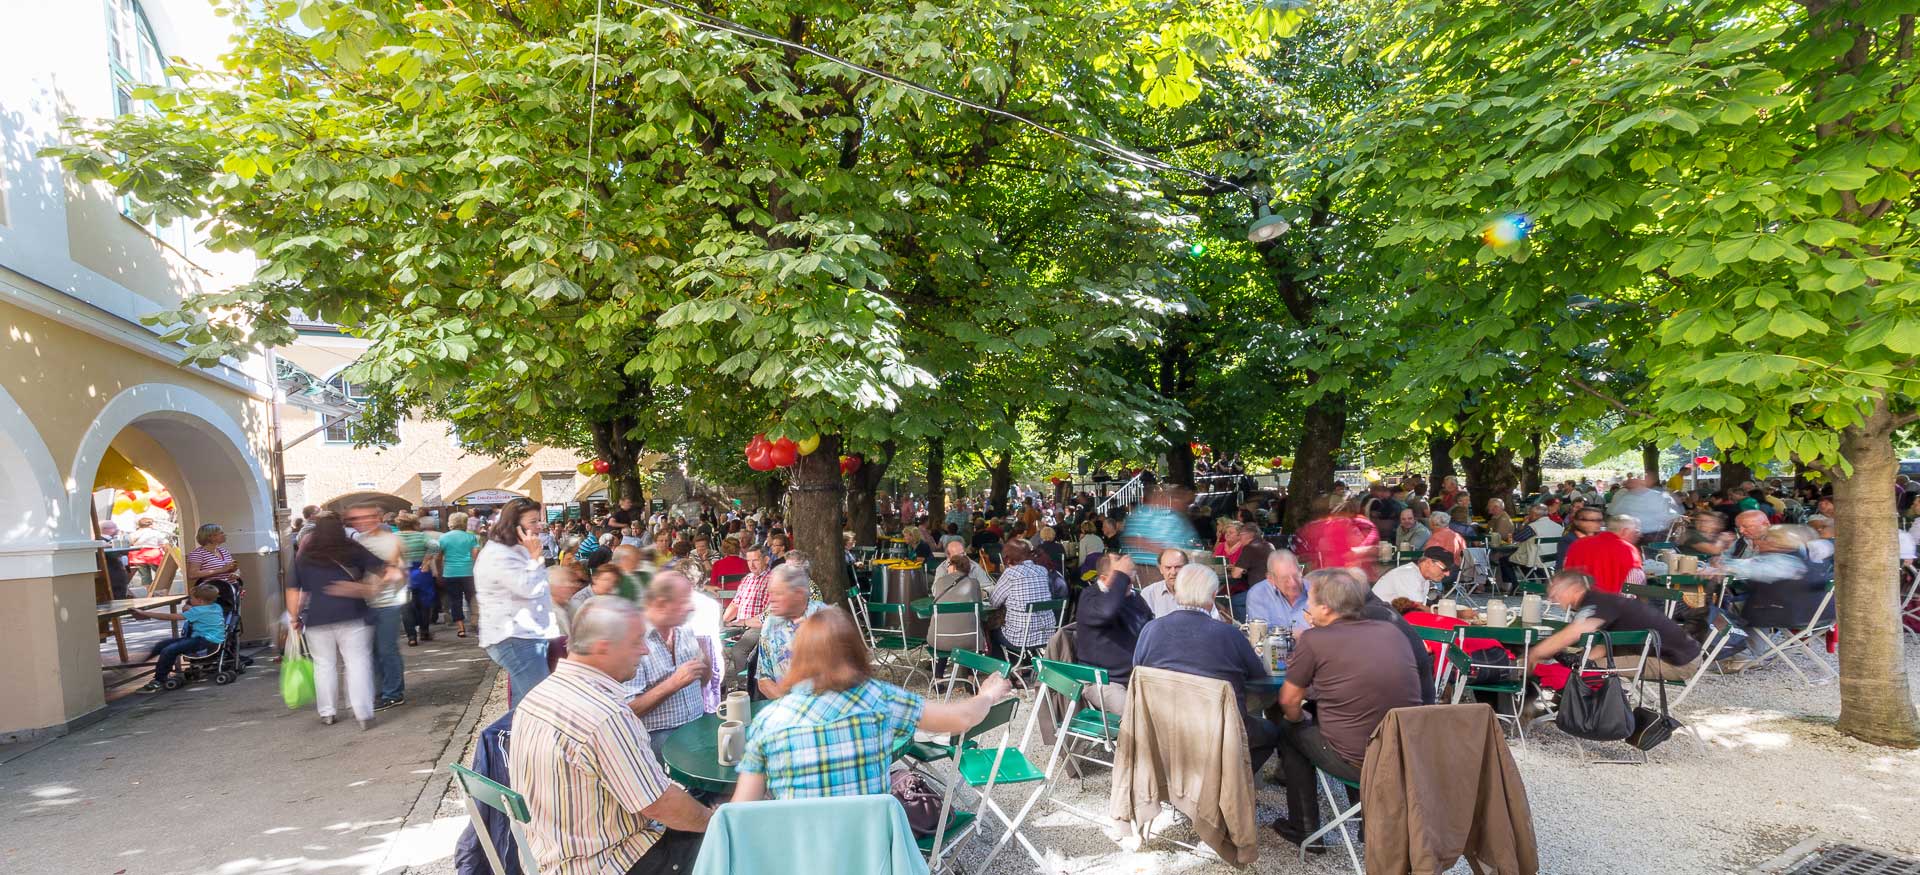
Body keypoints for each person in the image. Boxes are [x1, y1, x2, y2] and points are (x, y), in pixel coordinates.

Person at [510, 597, 711, 875]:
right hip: (606, 864)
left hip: (548, 857)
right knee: (724, 840)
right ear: (604, 647)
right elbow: (659, 805)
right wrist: (716, 821)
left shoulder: (538, 696)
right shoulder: (605, 715)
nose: (644, 651)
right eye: (636, 642)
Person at [732, 608, 1014, 801]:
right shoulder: (879, 699)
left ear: (798, 657)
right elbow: (961, 718)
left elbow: (742, 813)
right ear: (855, 650)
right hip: (871, 854)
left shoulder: (768, 722)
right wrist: (987, 694)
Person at [1271, 569, 1422, 850]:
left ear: (1325, 608)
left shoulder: (1315, 640)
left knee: (1288, 728)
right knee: (1356, 721)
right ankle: (1368, 821)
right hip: (1405, 751)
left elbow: (1289, 701)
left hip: (1360, 760)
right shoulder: (1390, 630)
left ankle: (1305, 829)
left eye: (1310, 601)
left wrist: (1299, 717)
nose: (1307, 606)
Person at [1133, 564, 1277, 770]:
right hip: (1220, 732)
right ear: (1212, 595)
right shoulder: (1230, 635)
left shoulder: (1150, 629)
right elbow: (1260, 680)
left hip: (1163, 727)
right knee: (1272, 732)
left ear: (1178, 593)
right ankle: (1229, 786)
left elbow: (1138, 672)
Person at [284, 513, 387, 727]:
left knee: (324, 665)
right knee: (358, 663)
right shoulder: (352, 548)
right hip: (353, 613)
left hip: (317, 617)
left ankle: (328, 712)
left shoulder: (305, 555)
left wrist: (294, 617)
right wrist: (369, 588)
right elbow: (383, 568)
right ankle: (363, 712)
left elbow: (294, 588)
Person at [1527, 569, 1703, 680]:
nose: (1552, 598)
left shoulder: (1594, 604)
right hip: (1678, 653)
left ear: (1575, 588)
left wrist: (1534, 654)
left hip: (1676, 663)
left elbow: (1573, 633)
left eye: (1556, 592)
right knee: (1580, 663)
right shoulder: (1601, 602)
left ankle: (1588, 714)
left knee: (1584, 670)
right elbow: (1604, 644)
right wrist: (1582, 658)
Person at [476, 497, 561, 707]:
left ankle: (514, 738)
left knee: (524, 705)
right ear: (514, 524)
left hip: (526, 634)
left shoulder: (516, 549)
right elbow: (529, 588)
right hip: (515, 636)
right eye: (533, 521)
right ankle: (530, 739)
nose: (539, 525)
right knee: (540, 705)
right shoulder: (499, 554)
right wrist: (535, 557)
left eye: (539, 520)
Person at [622, 572, 713, 755]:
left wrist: (706, 661)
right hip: (658, 736)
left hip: (697, 723)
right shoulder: (633, 638)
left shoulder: (684, 629)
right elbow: (628, 711)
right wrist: (674, 683)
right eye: (684, 601)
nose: (691, 607)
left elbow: (702, 682)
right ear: (662, 604)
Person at [344, 504, 410, 710]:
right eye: (356, 518)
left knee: (386, 648)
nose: (362, 521)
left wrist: (371, 588)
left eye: (367, 517)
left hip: (388, 602)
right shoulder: (358, 541)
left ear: (378, 517)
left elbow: (396, 571)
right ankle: (380, 691)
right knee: (371, 651)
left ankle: (393, 693)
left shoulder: (392, 540)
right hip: (364, 604)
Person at [1075, 553, 1153, 713]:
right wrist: (1121, 577)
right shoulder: (1090, 597)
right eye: (1122, 577)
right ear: (1104, 579)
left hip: (1139, 676)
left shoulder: (1132, 596)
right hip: (1104, 681)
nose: (1129, 581)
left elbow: (1149, 625)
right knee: (1137, 716)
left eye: (1130, 575)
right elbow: (1106, 612)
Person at [131, 583, 227, 693]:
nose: (189, 600)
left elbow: (170, 617)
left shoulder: (197, 611)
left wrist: (145, 613)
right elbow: (201, 611)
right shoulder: (216, 606)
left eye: (191, 598)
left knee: (169, 650)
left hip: (204, 641)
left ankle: (159, 680)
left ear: (200, 601)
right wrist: (191, 608)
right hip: (208, 639)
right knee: (162, 645)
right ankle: (143, 662)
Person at [755, 565, 827, 698]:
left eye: (779, 593)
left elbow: (842, 678)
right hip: (788, 709)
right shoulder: (770, 623)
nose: (771, 599)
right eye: (770, 593)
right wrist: (789, 707)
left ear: (798, 594)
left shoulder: (824, 620)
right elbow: (764, 678)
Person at [987, 539, 1059, 662]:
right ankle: (1023, 666)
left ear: (1008, 559)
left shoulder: (1011, 573)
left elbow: (994, 602)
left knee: (992, 631)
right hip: (1048, 634)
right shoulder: (1042, 571)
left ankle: (1006, 671)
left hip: (1021, 637)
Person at [1120, 485, 1200, 585]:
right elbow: (1132, 539)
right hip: (1151, 568)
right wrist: (1163, 552)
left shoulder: (1175, 517)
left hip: (1177, 567)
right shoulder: (1142, 513)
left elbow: (1192, 544)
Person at [1559, 514, 1643, 594]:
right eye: (1636, 532)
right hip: (1612, 604)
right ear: (1625, 531)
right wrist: (1653, 593)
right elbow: (1632, 587)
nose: (1639, 536)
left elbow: (1566, 569)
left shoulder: (1578, 544)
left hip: (1577, 602)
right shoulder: (1628, 549)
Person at [395, 512, 443, 646]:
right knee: (424, 603)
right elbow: (435, 546)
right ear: (415, 524)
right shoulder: (422, 536)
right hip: (421, 571)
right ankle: (424, 631)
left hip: (401, 573)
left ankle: (411, 636)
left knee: (405, 605)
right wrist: (427, 562)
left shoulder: (393, 538)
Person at [1246, 549, 1311, 632]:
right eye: (1285, 579)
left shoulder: (1316, 591)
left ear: (1301, 571)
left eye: (1295, 575)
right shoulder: (1259, 594)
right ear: (1271, 579)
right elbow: (1261, 634)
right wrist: (1295, 635)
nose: (1293, 583)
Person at [437, 512, 481, 638]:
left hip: (450, 573)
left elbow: (438, 557)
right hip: (468, 572)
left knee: (455, 600)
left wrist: (439, 572)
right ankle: (474, 622)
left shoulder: (443, 538)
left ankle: (461, 628)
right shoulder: (471, 537)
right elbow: (475, 555)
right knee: (472, 598)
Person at [1218, 522, 1272, 621]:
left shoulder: (1249, 548)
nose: (1240, 538)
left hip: (1261, 590)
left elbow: (1235, 575)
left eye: (1241, 535)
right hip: (1273, 588)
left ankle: (1245, 628)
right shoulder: (1269, 545)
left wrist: (1236, 568)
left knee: (1235, 602)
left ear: (1248, 535)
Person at [185, 523, 242, 614]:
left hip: (231, 590)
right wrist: (220, 570)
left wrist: (236, 574)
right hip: (213, 593)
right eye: (221, 533)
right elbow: (192, 574)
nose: (224, 535)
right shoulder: (198, 554)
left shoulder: (223, 551)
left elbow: (234, 568)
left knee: (231, 618)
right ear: (210, 537)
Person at [1372, 546, 1453, 604]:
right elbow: (1417, 610)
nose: (1448, 574)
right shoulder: (1408, 575)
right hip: (1375, 621)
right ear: (1428, 562)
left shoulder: (1423, 578)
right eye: (1444, 569)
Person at [1608, 475, 1682, 539]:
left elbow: (1663, 515)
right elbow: (1613, 512)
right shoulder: (1625, 496)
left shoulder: (1656, 496)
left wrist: (1675, 516)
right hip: (1633, 534)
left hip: (1650, 534)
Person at [1138, 547, 1195, 617]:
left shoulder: (1200, 593)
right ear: (1161, 569)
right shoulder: (1149, 593)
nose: (1173, 572)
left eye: (1178, 567)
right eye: (1168, 567)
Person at [128, 517, 169, 594]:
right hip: (153, 555)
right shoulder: (156, 533)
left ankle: (150, 592)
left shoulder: (133, 534)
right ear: (151, 524)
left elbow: (129, 544)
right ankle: (162, 592)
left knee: (145, 576)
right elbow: (164, 544)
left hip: (138, 556)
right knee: (160, 573)